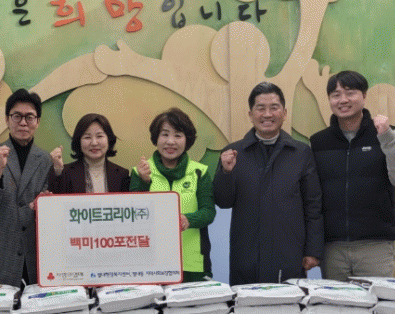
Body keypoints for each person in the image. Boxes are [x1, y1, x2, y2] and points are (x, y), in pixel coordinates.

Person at [310, 70, 395, 280]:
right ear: (329, 100)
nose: (343, 100)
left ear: (364, 95)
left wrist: (387, 137)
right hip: (332, 248)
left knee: (377, 298)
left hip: (375, 246)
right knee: (335, 301)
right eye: (336, 95)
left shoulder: (386, 134)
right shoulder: (319, 142)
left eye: (350, 92)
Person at [213, 82, 323, 285]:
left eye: (274, 107)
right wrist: (226, 172)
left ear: (284, 113)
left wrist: (313, 250)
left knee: (289, 303)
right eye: (260, 108)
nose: (267, 114)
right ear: (250, 114)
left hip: (289, 253)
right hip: (246, 254)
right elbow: (223, 201)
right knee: (246, 303)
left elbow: (313, 205)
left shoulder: (301, 153)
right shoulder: (234, 153)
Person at [0, 89, 52, 287]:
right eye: (17, 116)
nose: (23, 122)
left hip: (35, 256)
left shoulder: (45, 159)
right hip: (1, 258)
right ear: (7, 120)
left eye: (29, 117)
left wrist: (44, 204)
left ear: (38, 121)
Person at [130, 107, 215, 282]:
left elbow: (209, 211)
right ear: (156, 138)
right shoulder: (141, 172)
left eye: (178, 135)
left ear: (187, 140)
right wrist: (143, 182)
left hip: (193, 263)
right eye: (165, 134)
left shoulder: (199, 172)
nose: (170, 142)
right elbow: (134, 215)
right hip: (152, 263)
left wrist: (189, 219)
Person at [48, 113, 129, 193]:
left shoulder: (122, 174)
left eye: (99, 136)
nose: (94, 143)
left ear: (109, 139)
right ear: (79, 142)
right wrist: (58, 169)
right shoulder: (66, 173)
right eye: (87, 137)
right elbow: (55, 197)